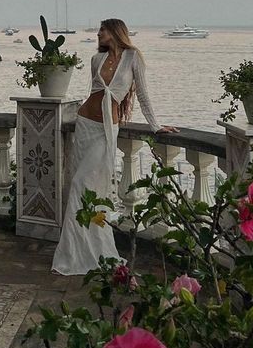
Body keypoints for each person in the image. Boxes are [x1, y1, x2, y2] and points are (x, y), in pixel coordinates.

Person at [51, 18, 178, 276]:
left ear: (115, 32)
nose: (98, 34)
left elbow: (142, 94)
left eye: (102, 30)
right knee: (81, 184)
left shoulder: (133, 58)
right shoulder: (96, 61)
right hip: (85, 123)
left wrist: (155, 126)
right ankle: (75, 253)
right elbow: (95, 92)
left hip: (106, 130)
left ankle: (93, 251)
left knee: (85, 186)